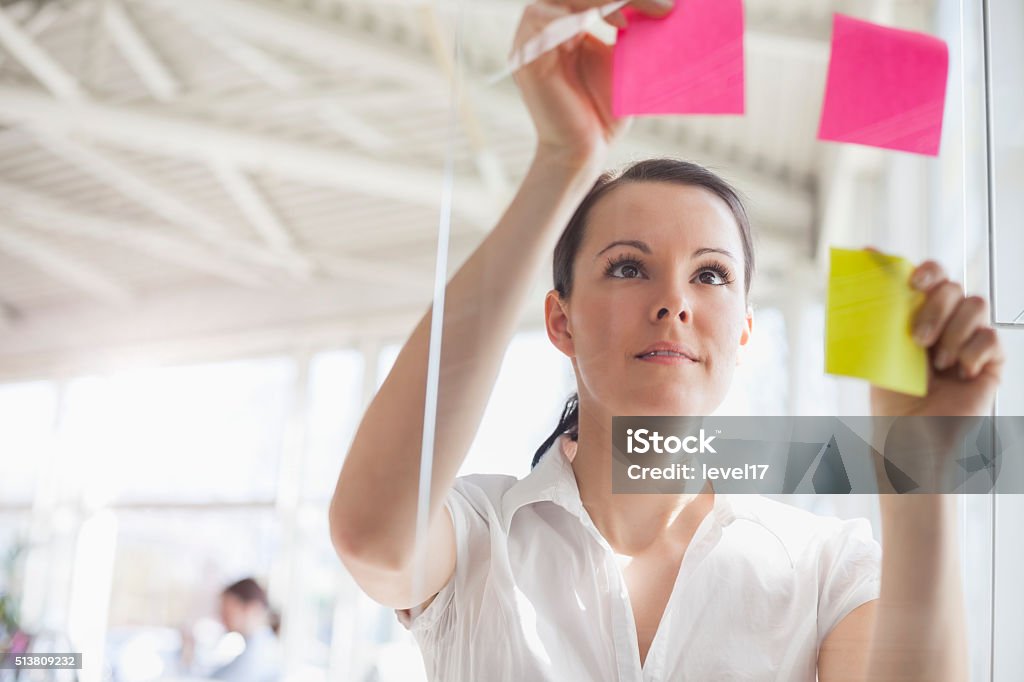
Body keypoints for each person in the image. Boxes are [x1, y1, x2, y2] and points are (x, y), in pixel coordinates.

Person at [329, 1, 1006, 680]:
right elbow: (373, 536)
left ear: (743, 333)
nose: (674, 302)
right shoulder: (481, 536)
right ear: (560, 322)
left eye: (710, 274)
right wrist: (561, 160)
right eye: (628, 267)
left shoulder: (823, 567)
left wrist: (922, 471)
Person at [210, 578, 282, 682]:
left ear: (251, 608)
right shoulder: (259, 644)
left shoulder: (258, 653)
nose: (222, 618)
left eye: (227, 611)